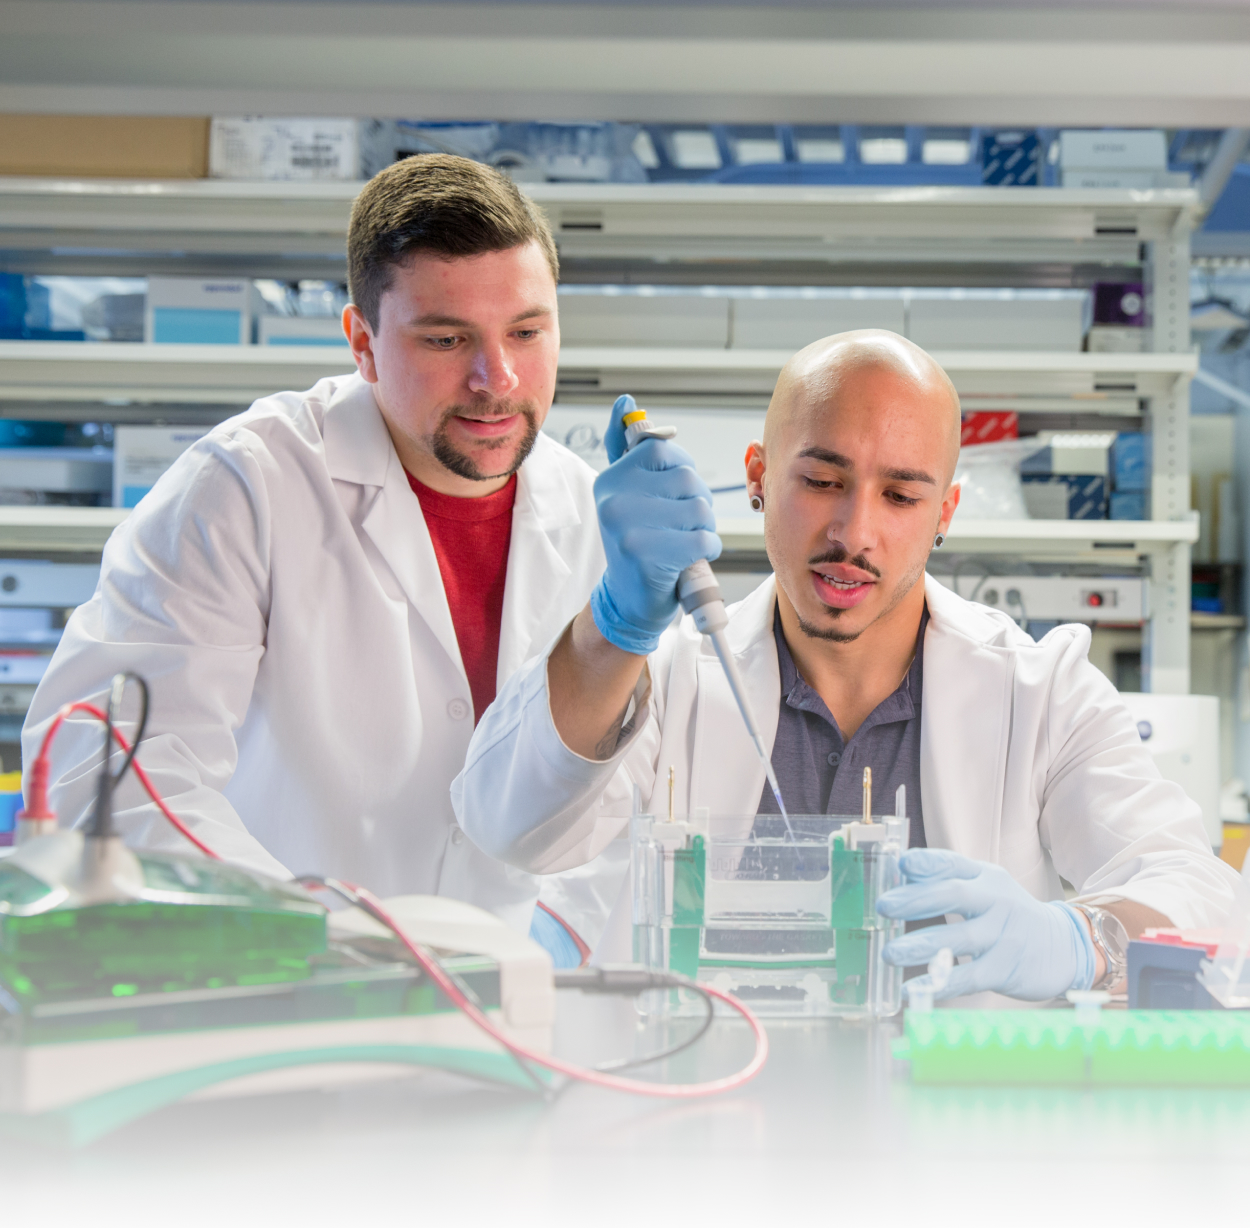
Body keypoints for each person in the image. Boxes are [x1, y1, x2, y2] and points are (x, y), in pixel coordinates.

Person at [452, 330, 1245, 999]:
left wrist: (1077, 937)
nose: (854, 531)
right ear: (759, 478)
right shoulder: (669, 680)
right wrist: (611, 627)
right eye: (823, 481)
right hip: (697, 1131)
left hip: (955, 1140)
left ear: (945, 514)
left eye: (901, 497)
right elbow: (507, 825)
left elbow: (1205, 897)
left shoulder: (1040, 693)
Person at [23, 154, 605, 934]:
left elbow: (627, 803)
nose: (495, 379)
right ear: (361, 341)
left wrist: (567, 937)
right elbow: (113, 769)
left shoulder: (593, 514)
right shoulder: (244, 487)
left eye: (527, 331)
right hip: (287, 990)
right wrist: (314, 934)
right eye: (444, 339)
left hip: (522, 1003)